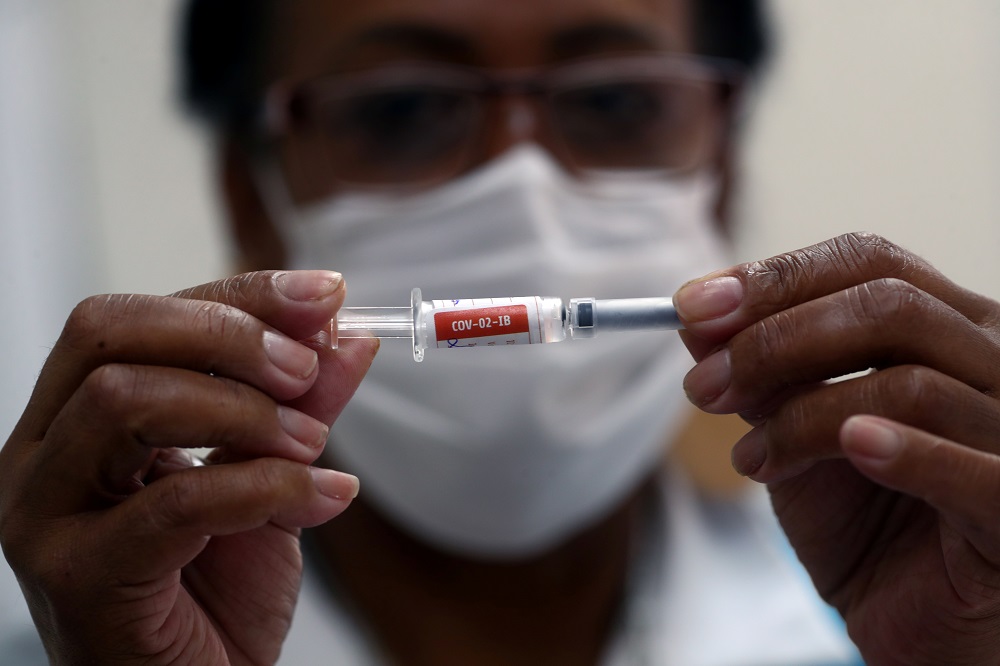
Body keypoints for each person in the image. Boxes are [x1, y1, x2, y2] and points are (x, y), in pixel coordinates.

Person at [2, 0, 1000, 664]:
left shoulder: (902, 600)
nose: (521, 193)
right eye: (401, 110)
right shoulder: (102, 638)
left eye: (614, 100)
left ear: (722, 166)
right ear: (252, 193)